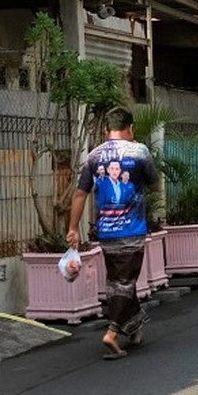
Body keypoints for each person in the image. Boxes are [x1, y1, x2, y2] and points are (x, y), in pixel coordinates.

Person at [67, 107, 159, 359]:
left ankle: (134, 329)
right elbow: (155, 184)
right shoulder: (139, 151)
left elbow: (80, 194)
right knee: (123, 282)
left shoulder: (94, 156)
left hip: (106, 233)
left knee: (120, 279)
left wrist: (73, 228)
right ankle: (112, 332)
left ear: (106, 130)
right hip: (132, 231)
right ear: (130, 129)